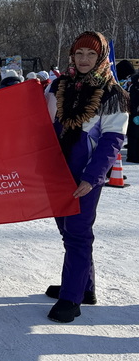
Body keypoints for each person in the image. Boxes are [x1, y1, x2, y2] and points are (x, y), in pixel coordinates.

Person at [44, 31, 128, 323]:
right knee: (66, 230)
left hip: (85, 175)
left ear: (101, 57)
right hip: (56, 171)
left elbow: (112, 140)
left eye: (91, 54)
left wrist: (92, 177)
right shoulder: (58, 85)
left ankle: (71, 297)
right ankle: (84, 287)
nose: (84, 59)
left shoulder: (113, 94)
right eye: (79, 53)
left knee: (78, 233)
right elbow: (41, 122)